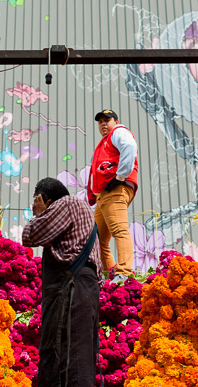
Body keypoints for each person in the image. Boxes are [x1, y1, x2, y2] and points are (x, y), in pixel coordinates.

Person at [22, 177, 102, 387]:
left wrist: (37, 214)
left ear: (45, 198)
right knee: (73, 352)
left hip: (73, 289)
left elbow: (30, 235)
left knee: (69, 352)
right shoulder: (78, 209)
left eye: (37, 201)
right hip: (81, 289)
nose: (36, 207)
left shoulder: (65, 204)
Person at [86, 109, 139, 279]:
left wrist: (120, 176)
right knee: (96, 240)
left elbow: (129, 146)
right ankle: (111, 274)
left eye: (107, 120)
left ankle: (123, 273)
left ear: (116, 121)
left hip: (114, 190)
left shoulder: (118, 132)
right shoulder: (105, 142)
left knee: (119, 230)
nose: (103, 124)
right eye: (100, 121)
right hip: (104, 194)